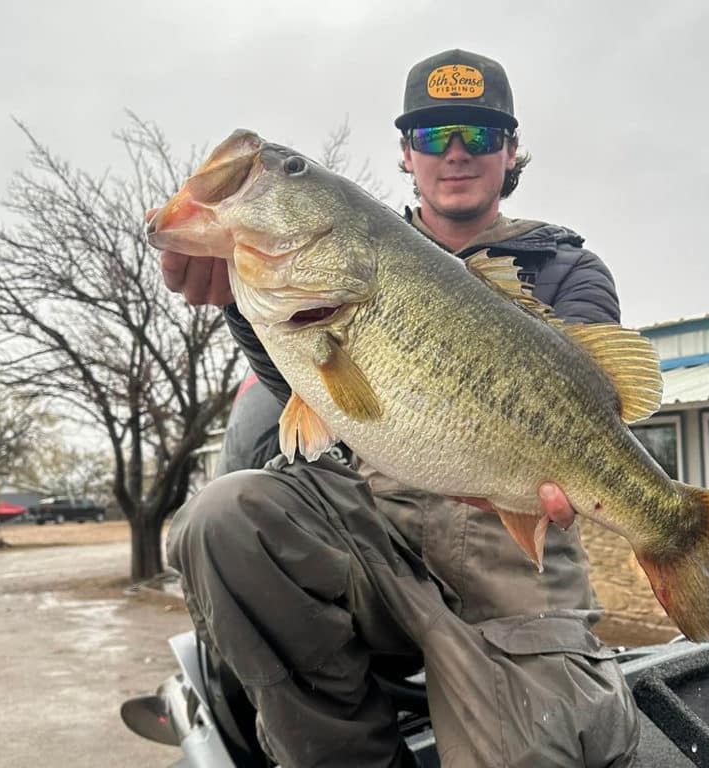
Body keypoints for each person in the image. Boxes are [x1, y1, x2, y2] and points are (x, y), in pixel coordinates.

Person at [158, 49, 642, 767]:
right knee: (224, 517)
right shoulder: (344, 248)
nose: (454, 154)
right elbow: (313, 388)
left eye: (477, 136)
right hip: (372, 530)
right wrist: (239, 304)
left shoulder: (568, 268)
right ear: (406, 154)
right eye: (431, 135)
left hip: (512, 554)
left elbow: (590, 399)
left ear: (510, 152)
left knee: (552, 747)